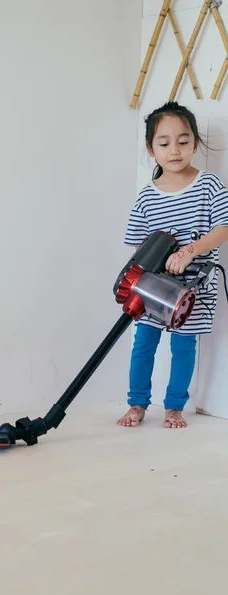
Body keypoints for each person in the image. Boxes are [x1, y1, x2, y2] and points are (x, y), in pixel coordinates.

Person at [117, 101, 228, 429]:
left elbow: (223, 228)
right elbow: (138, 244)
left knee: (182, 347)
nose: (175, 150)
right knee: (143, 344)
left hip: (194, 289)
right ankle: (137, 404)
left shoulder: (210, 186)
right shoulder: (146, 196)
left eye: (183, 141)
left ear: (195, 143)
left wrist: (190, 251)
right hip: (153, 288)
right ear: (151, 149)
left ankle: (174, 407)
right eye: (164, 143)